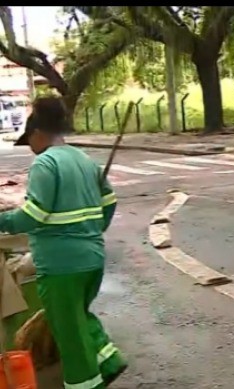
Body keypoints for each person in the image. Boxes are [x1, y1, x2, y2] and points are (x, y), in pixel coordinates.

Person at [0, 97, 128, 388]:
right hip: (92, 259)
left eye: (28, 140)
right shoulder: (84, 160)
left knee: (68, 334)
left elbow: (33, 215)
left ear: (38, 133)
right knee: (77, 319)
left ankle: (85, 383)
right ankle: (108, 360)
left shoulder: (45, 163)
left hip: (60, 266)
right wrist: (91, 230)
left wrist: (3, 220)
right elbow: (109, 202)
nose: (30, 148)